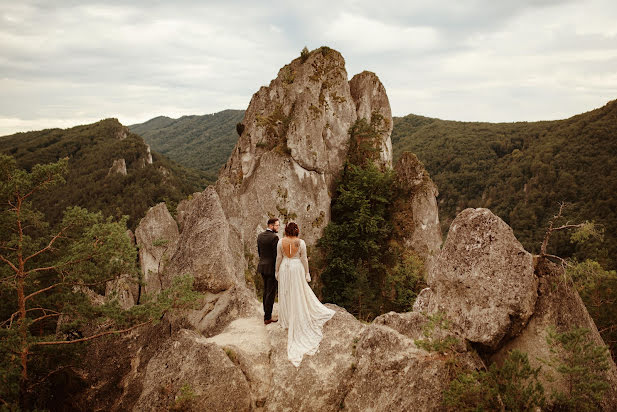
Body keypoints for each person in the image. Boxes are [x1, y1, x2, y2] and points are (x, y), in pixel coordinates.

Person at [275, 222, 335, 367]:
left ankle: (286, 319)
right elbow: (303, 259)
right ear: (297, 231)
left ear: (286, 231)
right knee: (298, 293)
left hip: (284, 268)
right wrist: (307, 273)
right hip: (296, 268)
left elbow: (278, 258)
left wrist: (276, 271)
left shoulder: (280, 242)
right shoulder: (300, 243)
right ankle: (297, 315)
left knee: (285, 293)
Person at [257, 218, 280, 325]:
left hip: (262, 266)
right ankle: (267, 318)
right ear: (271, 226)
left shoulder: (260, 236)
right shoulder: (274, 238)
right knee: (270, 293)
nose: (278, 227)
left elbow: (259, 252)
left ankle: (266, 314)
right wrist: (278, 269)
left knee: (266, 291)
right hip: (271, 268)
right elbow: (276, 256)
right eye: (277, 225)